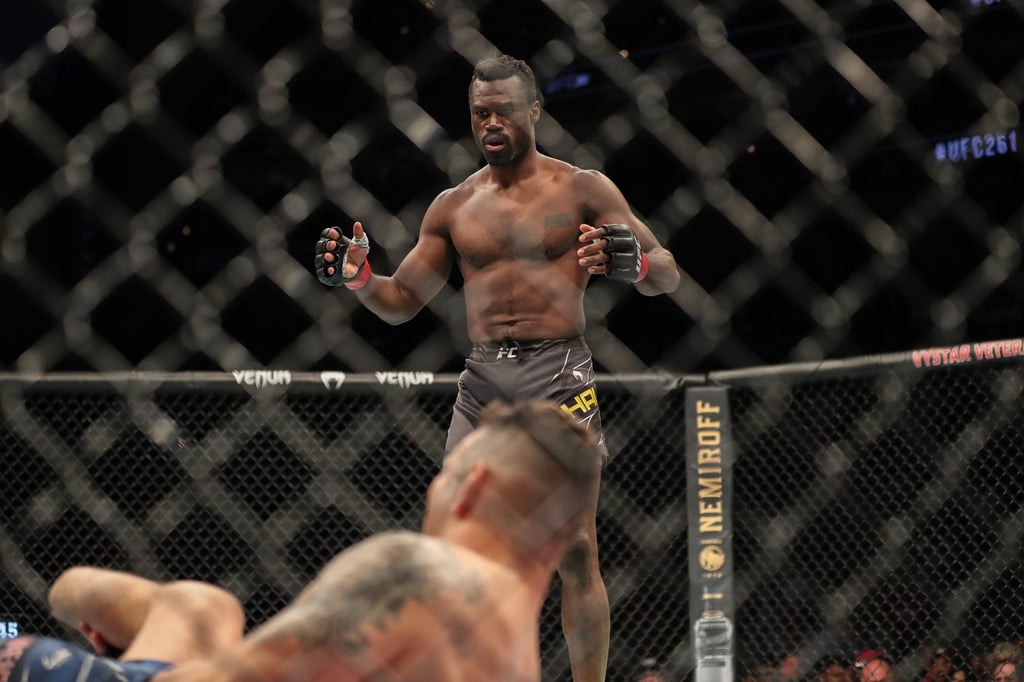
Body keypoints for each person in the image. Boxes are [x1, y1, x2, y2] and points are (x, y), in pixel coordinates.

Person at [314, 52, 680, 682]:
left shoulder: (583, 187)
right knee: (453, 548)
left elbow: (667, 273)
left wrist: (637, 266)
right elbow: (401, 303)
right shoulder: (453, 207)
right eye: (480, 112)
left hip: (557, 374)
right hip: (482, 381)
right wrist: (361, 279)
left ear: (533, 111)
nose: (491, 122)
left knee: (576, 549)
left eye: (504, 110)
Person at [1, 399, 604, 682]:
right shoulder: (516, 657)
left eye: (444, 476)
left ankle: (64, 610)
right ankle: (76, 598)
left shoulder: (419, 572)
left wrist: (35, 663)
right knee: (202, 608)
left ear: (471, 485)